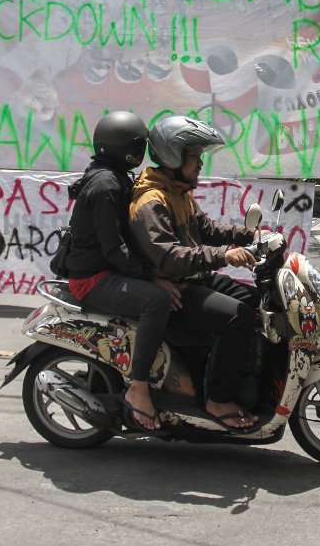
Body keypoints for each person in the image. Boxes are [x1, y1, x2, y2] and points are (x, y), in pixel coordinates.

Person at [128, 116, 261, 430]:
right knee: (237, 316)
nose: (200, 163)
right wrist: (223, 255)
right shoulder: (152, 200)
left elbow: (206, 228)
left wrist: (249, 235)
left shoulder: (177, 191)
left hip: (194, 280)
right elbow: (169, 257)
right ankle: (218, 398)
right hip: (178, 290)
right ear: (172, 156)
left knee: (255, 298)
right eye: (194, 156)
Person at [64, 111, 175, 431]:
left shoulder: (113, 175)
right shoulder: (106, 184)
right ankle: (138, 388)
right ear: (132, 148)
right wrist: (151, 277)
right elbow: (114, 248)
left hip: (105, 270)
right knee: (156, 300)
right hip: (92, 278)